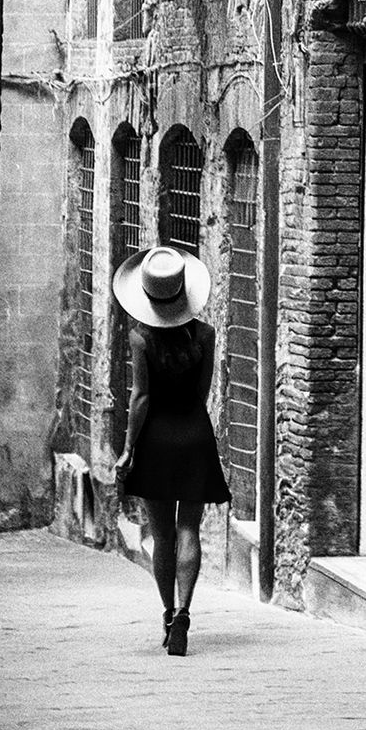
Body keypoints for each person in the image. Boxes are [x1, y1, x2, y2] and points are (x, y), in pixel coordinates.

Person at [110, 245, 231, 655]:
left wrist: (128, 448)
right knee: (189, 530)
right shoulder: (205, 335)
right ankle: (184, 613)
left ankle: (166, 614)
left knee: (161, 535)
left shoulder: (140, 337)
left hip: (156, 440)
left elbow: (141, 397)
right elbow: (202, 391)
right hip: (194, 434)